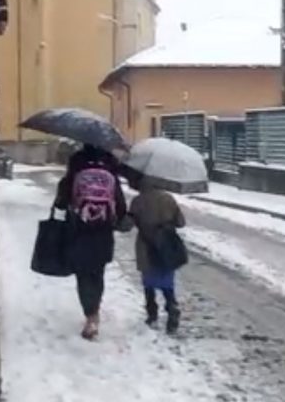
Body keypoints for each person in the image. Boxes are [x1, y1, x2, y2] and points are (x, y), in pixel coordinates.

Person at [54, 144, 127, 340]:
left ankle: (90, 314)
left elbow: (62, 198)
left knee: (83, 273)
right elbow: (119, 199)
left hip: (79, 228)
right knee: (97, 271)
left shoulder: (77, 160)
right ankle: (95, 312)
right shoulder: (110, 162)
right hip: (103, 229)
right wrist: (119, 217)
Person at [128, 176, 186, 335]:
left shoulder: (138, 201)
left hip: (146, 245)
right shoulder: (168, 198)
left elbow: (128, 223)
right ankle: (172, 306)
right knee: (167, 280)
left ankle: (152, 314)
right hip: (166, 244)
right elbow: (181, 222)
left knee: (148, 282)